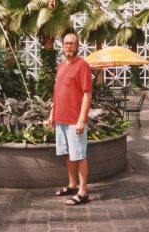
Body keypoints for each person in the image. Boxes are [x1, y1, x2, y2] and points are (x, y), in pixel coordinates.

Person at [48, 32, 92, 206]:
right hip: (61, 119)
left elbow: (87, 95)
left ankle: (83, 192)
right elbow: (57, 92)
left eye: (72, 43)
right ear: (62, 45)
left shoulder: (83, 66)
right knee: (68, 154)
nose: (69, 46)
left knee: (80, 155)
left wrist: (82, 120)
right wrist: (52, 113)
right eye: (66, 43)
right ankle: (73, 185)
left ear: (78, 45)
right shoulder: (60, 65)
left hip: (75, 120)